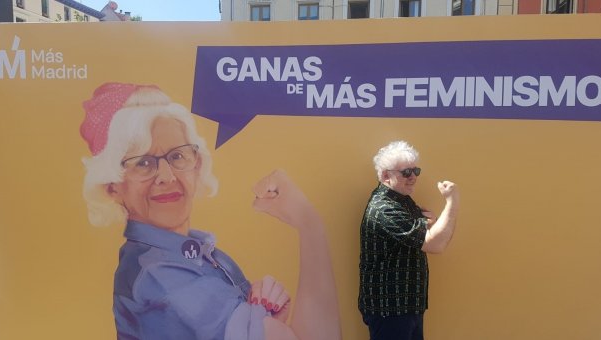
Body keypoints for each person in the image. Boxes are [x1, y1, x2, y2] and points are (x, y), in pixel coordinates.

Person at [79, 82, 341, 340]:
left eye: (177, 156)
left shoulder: (195, 253)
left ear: (197, 164)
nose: (166, 176)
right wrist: (310, 224)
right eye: (143, 163)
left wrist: (263, 321)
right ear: (112, 186)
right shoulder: (163, 278)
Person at [358, 140, 460, 340]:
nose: (413, 177)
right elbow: (435, 244)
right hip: (390, 310)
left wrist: (435, 224)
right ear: (386, 176)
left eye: (416, 171)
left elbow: (434, 237)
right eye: (406, 173)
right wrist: (452, 201)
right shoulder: (385, 209)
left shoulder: (401, 200)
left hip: (405, 307)